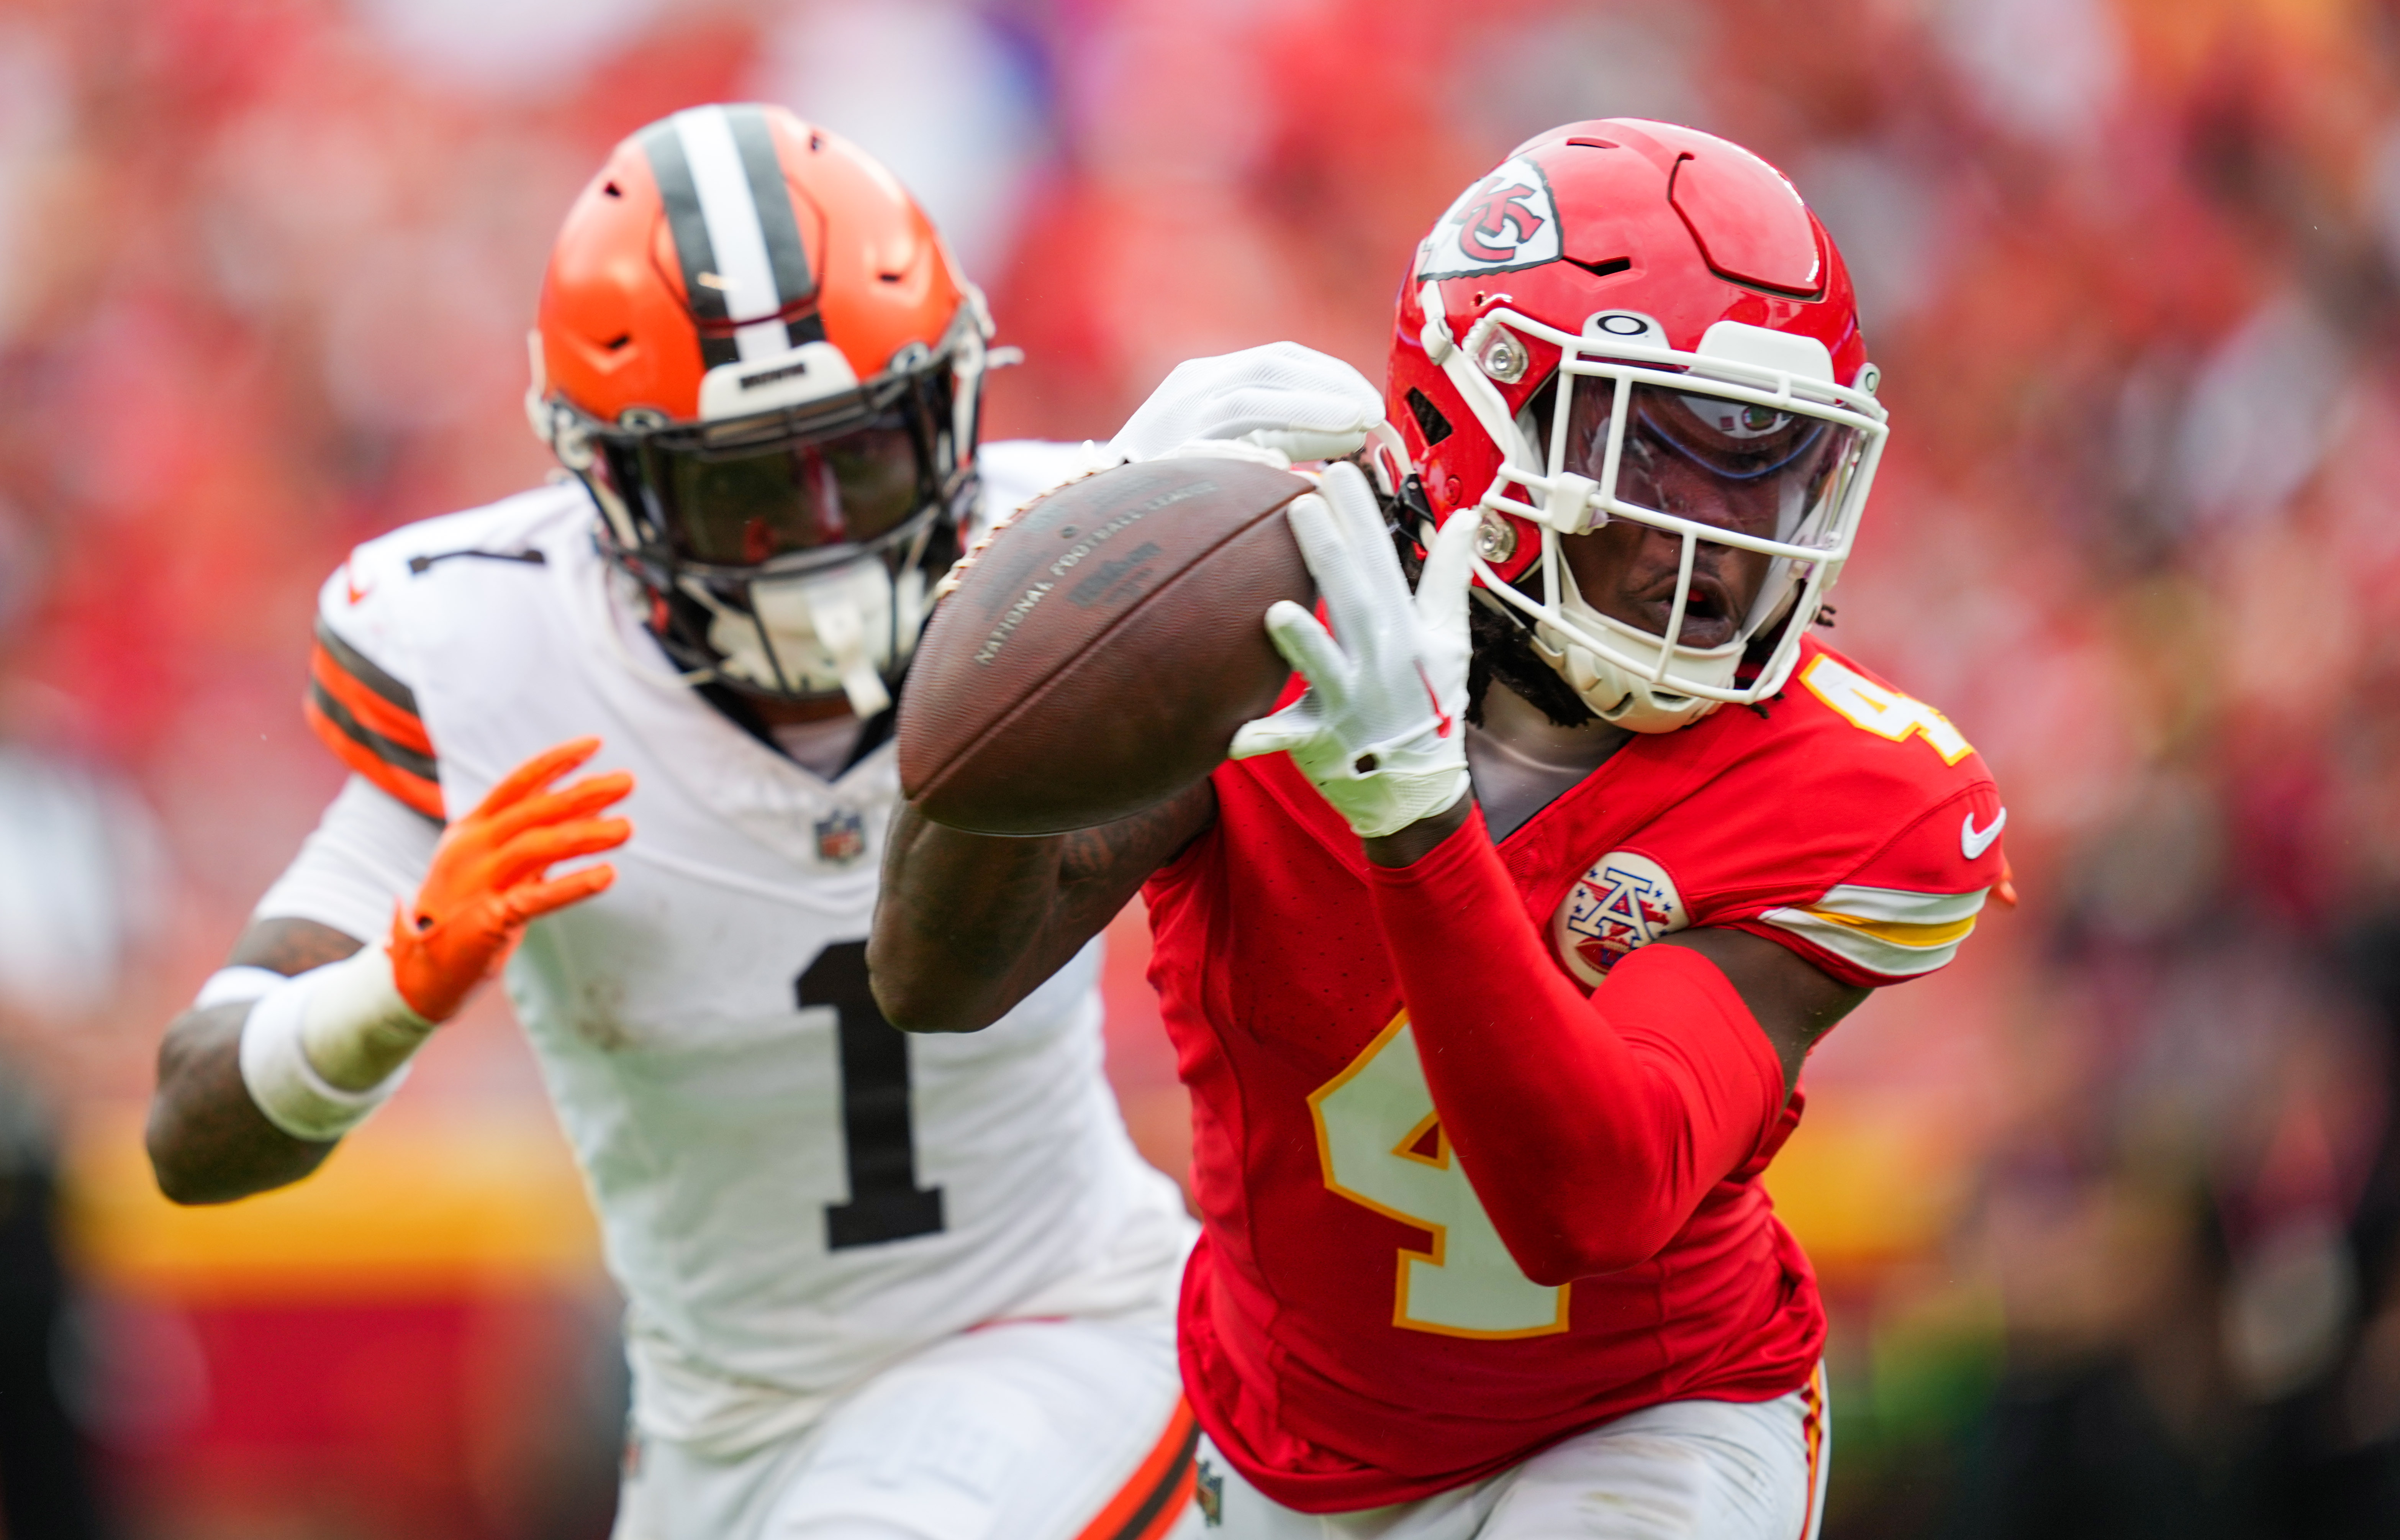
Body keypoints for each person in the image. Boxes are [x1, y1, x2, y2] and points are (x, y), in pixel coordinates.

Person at [870, 119, 2009, 1537]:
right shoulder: (1264, 631)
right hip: (1289, 1437)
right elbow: (933, 977)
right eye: (1652, 455)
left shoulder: (1853, 786)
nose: (1715, 540)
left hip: (1645, 1419)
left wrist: (1417, 812)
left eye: (1766, 469)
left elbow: (1589, 1196)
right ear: (1482, 424)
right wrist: (1070, 552)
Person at [143, 104, 1208, 1540]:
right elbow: (192, 1134)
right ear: (612, 483)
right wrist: (381, 997)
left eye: (865, 455)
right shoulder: (495, 648)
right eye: (749, 488)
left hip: (1065, 1322)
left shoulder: (1080, 572)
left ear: (948, 410)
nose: (825, 526)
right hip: (722, 1421)